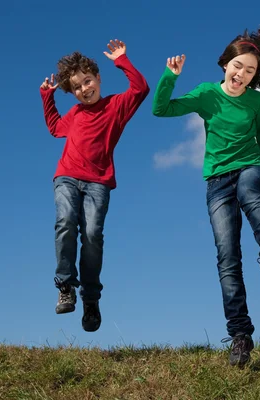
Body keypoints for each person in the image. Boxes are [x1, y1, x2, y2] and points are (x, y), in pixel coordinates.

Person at [152, 27, 260, 366]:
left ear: (255, 76)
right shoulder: (206, 95)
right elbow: (161, 108)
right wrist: (169, 77)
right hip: (217, 181)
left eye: (249, 71)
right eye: (237, 66)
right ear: (225, 64)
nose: (241, 74)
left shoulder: (258, 102)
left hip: (251, 168)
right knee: (227, 259)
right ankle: (240, 336)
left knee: (250, 191)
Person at [39, 39, 149, 332]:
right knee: (65, 222)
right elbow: (54, 127)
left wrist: (122, 60)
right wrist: (46, 96)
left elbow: (140, 89)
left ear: (97, 79)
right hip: (67, 176)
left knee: (91, 235)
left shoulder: (116, 106)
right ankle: (65, 285)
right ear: (71, 92)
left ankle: (90, 299)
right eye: (77, 87)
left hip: (98, 182)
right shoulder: (74, 115)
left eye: (87, 81)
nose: (84, 89)